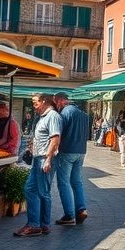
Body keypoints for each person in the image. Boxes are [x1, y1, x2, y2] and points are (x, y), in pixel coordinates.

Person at [14, 93, 61, 237]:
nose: (34, 106)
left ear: (44, 101)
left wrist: (48, 159)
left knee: (43, 192)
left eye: (35, 103)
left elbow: (55, 139)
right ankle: (36, 224)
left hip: (44, 159)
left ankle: (41, 225)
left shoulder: (53, 116)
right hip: (38, 158)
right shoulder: (43, 117)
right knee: (30, 189)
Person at [52, 92, 90, 226]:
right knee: (77, 181)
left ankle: (69, 215)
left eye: (56, 102)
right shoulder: (83, 114)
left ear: (61, 101)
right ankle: (81, 209)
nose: (56, 105)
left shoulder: (65, 113)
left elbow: (58, 133)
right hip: (81, 151)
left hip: (67, 151)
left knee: (64, 183)